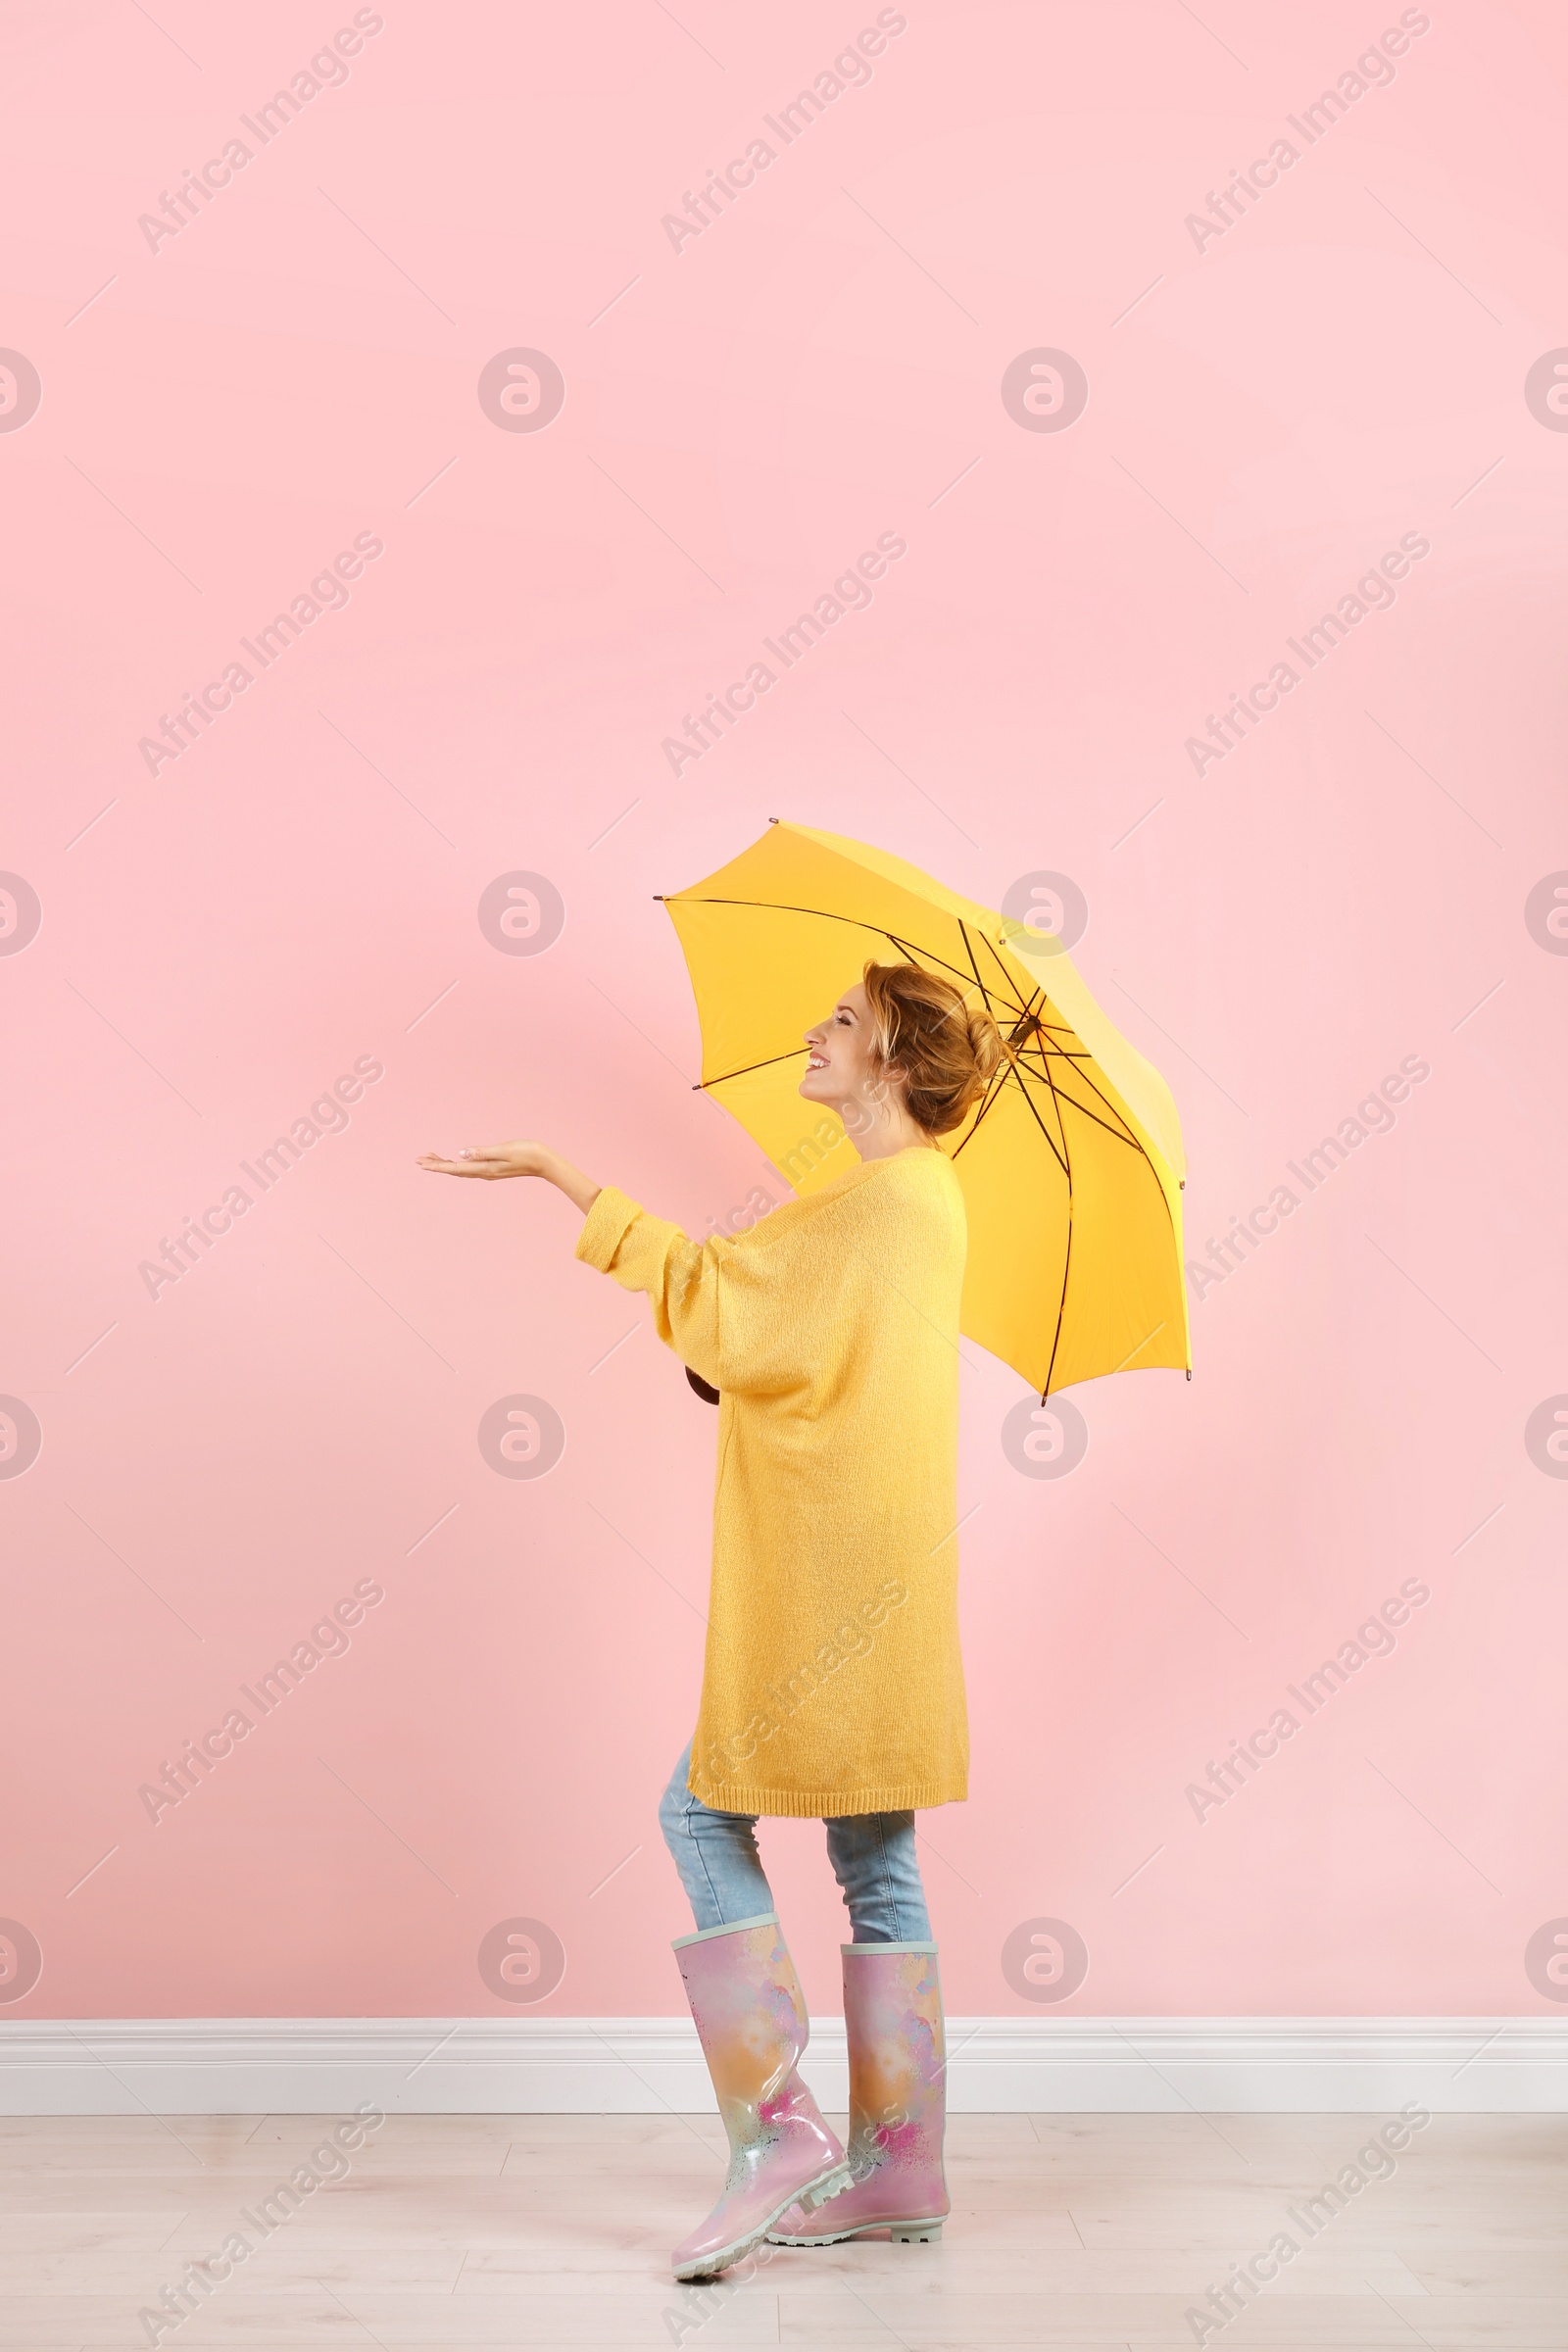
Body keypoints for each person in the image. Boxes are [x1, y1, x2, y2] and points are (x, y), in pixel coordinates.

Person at [418, 958, 1006, 2282]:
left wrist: (568, 1178)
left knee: (701, 1810)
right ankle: (900, 2165)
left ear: (897, 1064)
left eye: (843, 1022)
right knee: (875, 1853)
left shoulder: (892, 1199)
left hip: (836, 1578)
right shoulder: (899, 1198)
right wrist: (728, 1336)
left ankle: (781, 2132)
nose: (816, 1028)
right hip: (882, 1576)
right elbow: (777, 1338)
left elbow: (725, 1297)